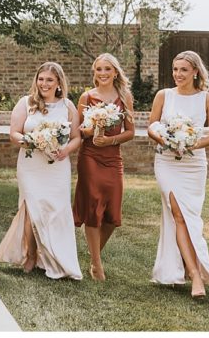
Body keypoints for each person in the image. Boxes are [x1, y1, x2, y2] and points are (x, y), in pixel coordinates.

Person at [0, 62, 83, 280]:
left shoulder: (68, 106)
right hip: (31, 164)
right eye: (41, 79)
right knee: (31, 210)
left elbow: (76, 137)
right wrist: (31, 141)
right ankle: (31, 255)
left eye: (49, 80)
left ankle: (57, 258)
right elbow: (14, 133)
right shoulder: (26, 103)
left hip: (57, 166)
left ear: (59, 83)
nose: (44, 84)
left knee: (56, 210)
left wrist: (65, 152)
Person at [147, 51, 209, 298]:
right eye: (175, 69)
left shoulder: (207, 98)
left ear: (195, 72)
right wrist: (166, 139)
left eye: (183, 70)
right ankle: (196, 274)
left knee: (189, 215)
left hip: (193, 164)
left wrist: (190, 145)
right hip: (166, 162)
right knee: (178, 213)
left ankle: (186, 268)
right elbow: (151, 126)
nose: (178, 74)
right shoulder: (163, 95)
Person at [73, 53, 135, 281]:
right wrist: (91, 130)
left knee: (112, 214)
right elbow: (79, 129)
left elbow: (130, 132)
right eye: (98, 69)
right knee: (93, 208)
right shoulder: (86, 97)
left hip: (112, 157)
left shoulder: (124, 96)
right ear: (94, 73)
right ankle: (97, 266)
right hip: (90, 157)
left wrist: (110, 140)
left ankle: (94, 255)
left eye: (107, 69)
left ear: (115, 72)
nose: (103, 73)